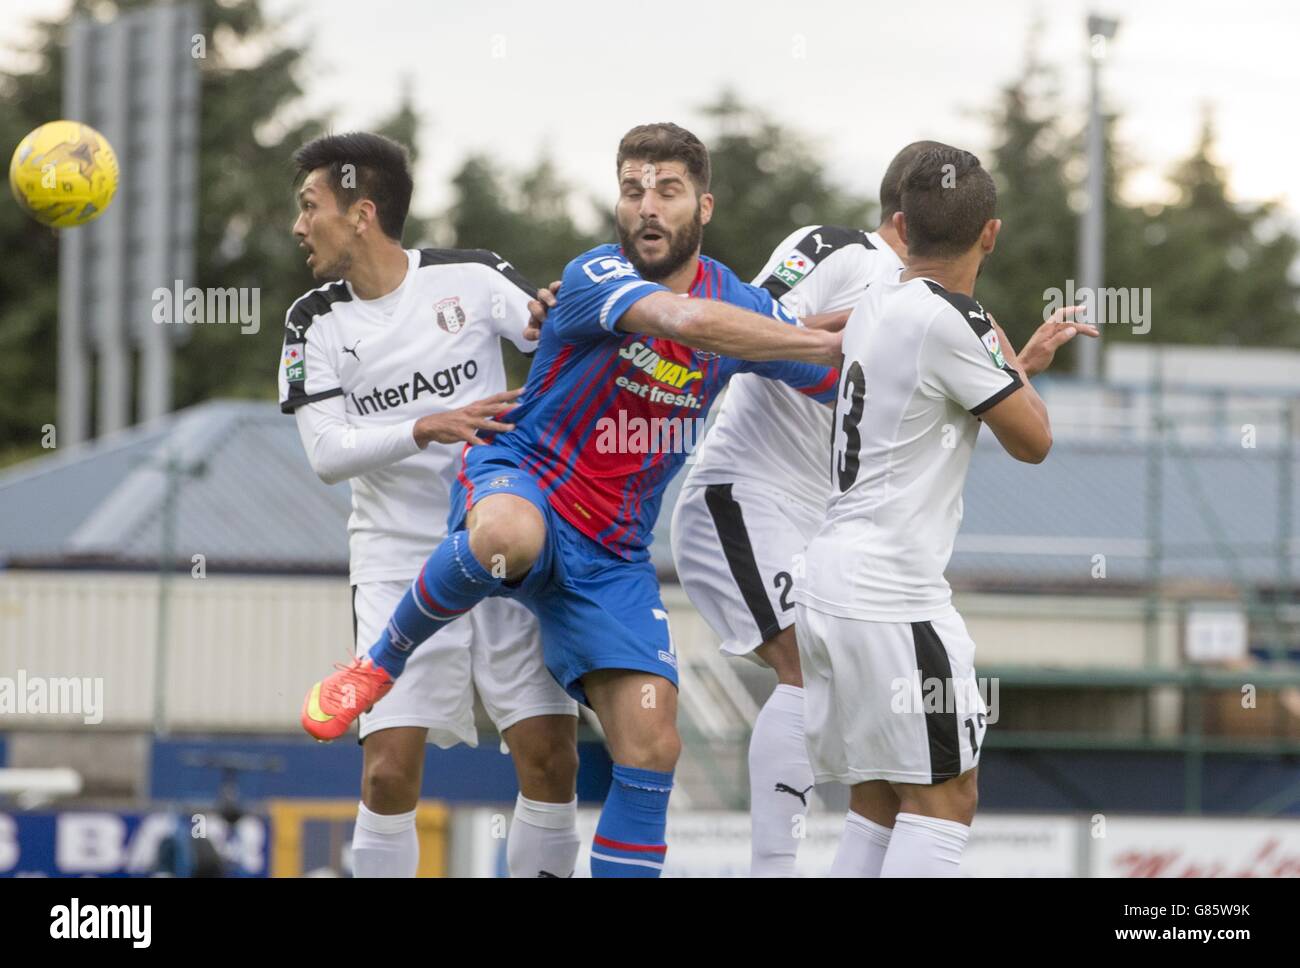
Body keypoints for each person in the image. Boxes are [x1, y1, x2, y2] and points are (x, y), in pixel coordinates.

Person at [300, 122, 842, 877]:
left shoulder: (744, 307)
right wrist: (820, 340)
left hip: (613, 553)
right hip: (523, 481)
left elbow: (841, 378)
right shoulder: (598, 275)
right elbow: (684, 321)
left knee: (653, 743)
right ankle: (380, 663)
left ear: (704, 207)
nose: (647, 206)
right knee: (507, 540)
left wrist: (969, 363)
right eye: (632, 190)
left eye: (668, 191)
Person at [282, 132, 580, 878]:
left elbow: (556, 340)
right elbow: (326, 455)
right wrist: (426, 425)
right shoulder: (311, 321)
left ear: (363, 213)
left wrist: (558, 314)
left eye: (308, 206)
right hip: (395, 557)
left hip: (503, 536)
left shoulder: (472, 278)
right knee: (387, 771)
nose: (298, 226)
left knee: (549, 756)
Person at [793, 145, 1096, 876]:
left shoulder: (878, 301)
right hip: (892, 596)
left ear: (902, 223)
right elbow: (1035, 440)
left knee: (880, 799)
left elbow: (942, 385)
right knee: (946, 798)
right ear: (990, 233)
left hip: (831, 582)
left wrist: (1016, 362)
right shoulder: (956, 320)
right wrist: (1005, 354)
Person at [672, 142, 950, 876]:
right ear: (903, 216)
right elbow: (739, 331)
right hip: (746, 493)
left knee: (864, 709)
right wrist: (846, 346)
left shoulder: (933, 306)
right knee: (807, 669)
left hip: (825, 530)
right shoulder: (837, 248)